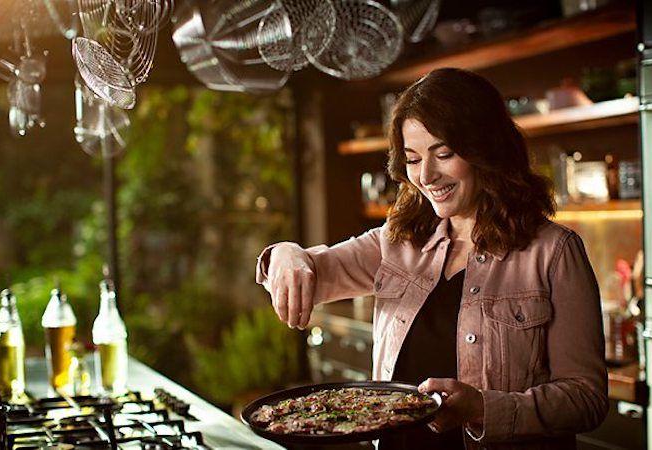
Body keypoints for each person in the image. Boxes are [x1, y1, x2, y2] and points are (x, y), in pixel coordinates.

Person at [255, 68, 608, 450]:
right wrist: (285, 253)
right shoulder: (396, 242)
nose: (426, 175)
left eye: (443, 153)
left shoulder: (554, 252)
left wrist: (483, 408)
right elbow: (312, 268)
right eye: (412, 159)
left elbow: (585, 399)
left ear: (485, 150)